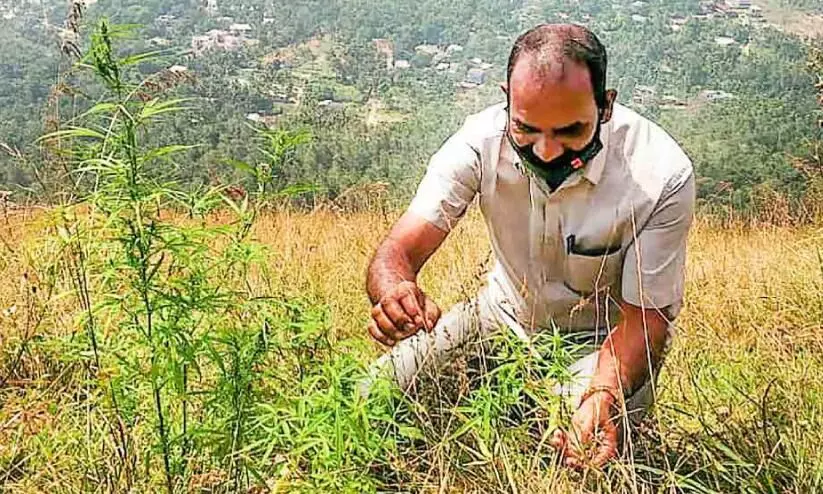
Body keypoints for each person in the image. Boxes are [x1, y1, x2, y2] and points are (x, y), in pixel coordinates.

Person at [363, 23, 695, 469]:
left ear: (606, 106)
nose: (547, 151)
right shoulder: (479, 142)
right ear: (507, 100)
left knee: (582, 453)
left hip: (598, 344)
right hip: (499, 317)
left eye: (570, 131)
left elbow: (646, 321)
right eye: (526, 128)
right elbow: (398, 251)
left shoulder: (660, 175)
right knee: (369, 399)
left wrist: (603, 393)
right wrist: (393, 292)